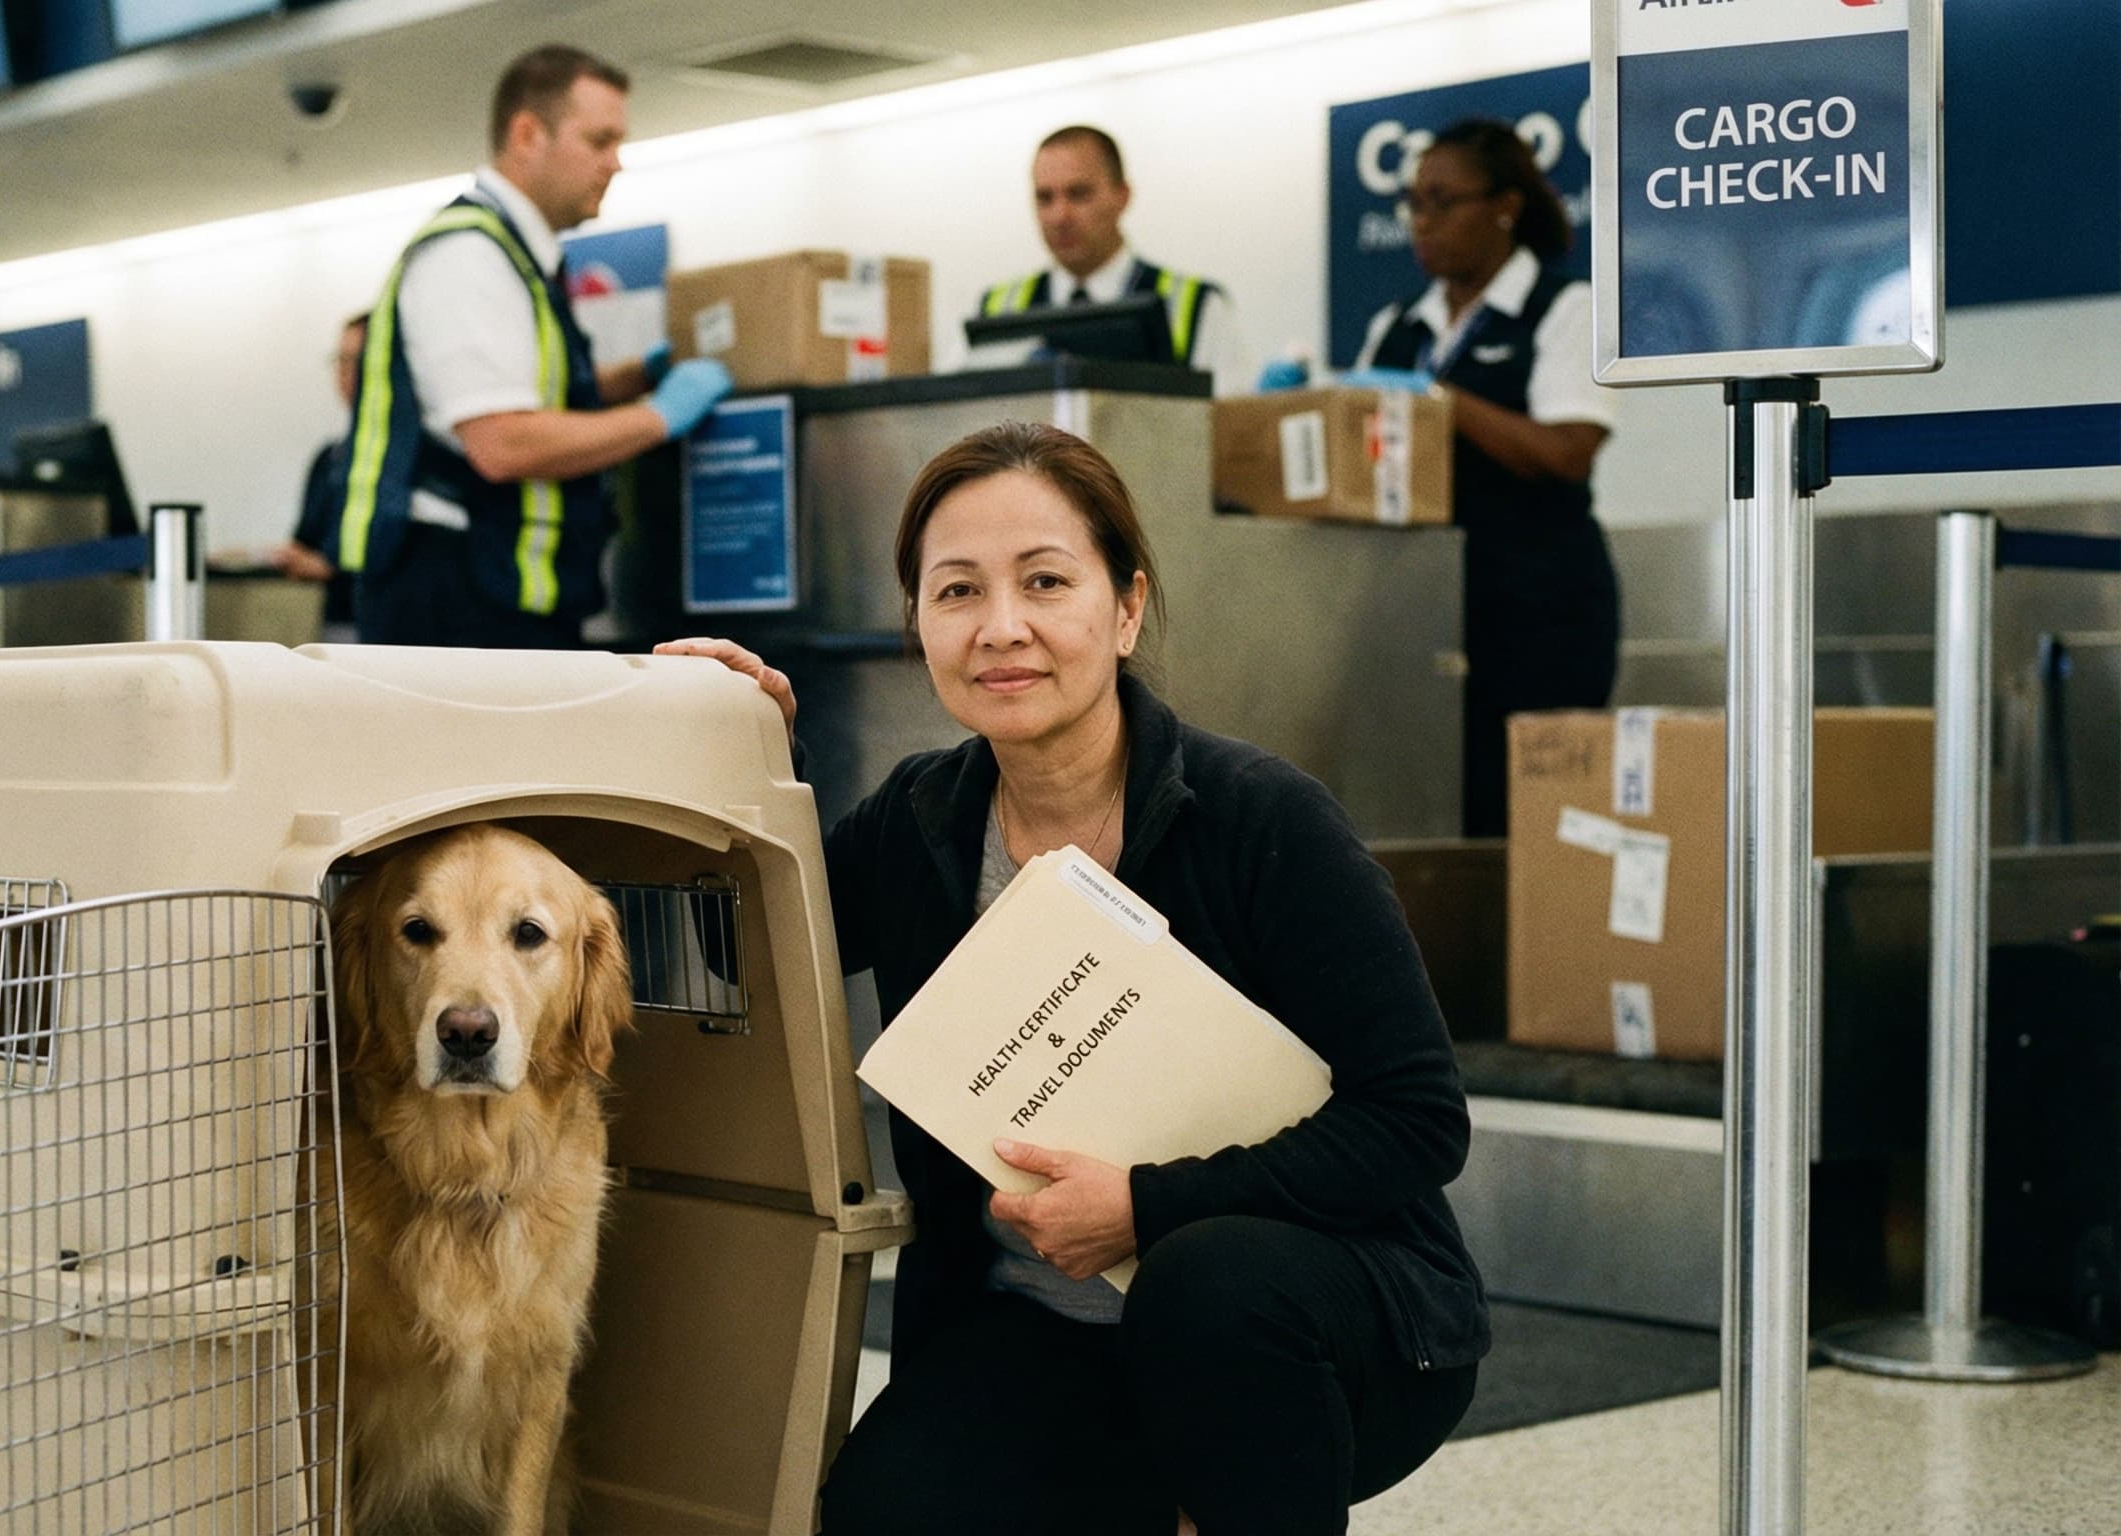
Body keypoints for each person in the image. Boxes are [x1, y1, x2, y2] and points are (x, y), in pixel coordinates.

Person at [658, 422, 1484, 1535]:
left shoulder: (1260, 818)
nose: (1003, 628)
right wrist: (746, 760)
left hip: (1322, 1326)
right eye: (956, 592)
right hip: (1044, 1335)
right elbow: (741, 951)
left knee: (1209, 1284)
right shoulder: (916, 822)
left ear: (1125, 607)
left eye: (1046, 581)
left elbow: (1418, 1122)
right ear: (919, 622)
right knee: (881, 1511)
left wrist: (1144, 1206)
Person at [337, 44, 732, 648]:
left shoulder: (520, 256)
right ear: (527, 134)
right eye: (599, 142)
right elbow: (501, 442)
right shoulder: (469, 255)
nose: (616, 164)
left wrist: (635, 378)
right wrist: (658, 417)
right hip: (454, 594)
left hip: (495, 587)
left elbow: (529, 392)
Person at [1348, 117, 1620, 837]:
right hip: (1425, 618)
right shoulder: (1397, 326)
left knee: (1528, 822)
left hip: (1542, 614)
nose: (1422, 221)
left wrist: (1440, 401)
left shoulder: (1565, 308)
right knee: (1438, 810)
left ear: (1505, 206)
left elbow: (1566, 450)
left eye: (1443, 201)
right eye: (1414, 203)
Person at [973, 126, 1248, 387]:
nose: (1060, 216)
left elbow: (1229, 427)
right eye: (1045, 198)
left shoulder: (1197, 307)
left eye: (1078, 194)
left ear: (1122, 196)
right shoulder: (996, 309)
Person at [222, 312, 365, 640]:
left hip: (379, 626)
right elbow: (304, 540)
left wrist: (330, 566)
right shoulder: (329, 457)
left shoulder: (410, 458)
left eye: (357, 360)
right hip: (325, 620)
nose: (347, 373)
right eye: (340, 360)